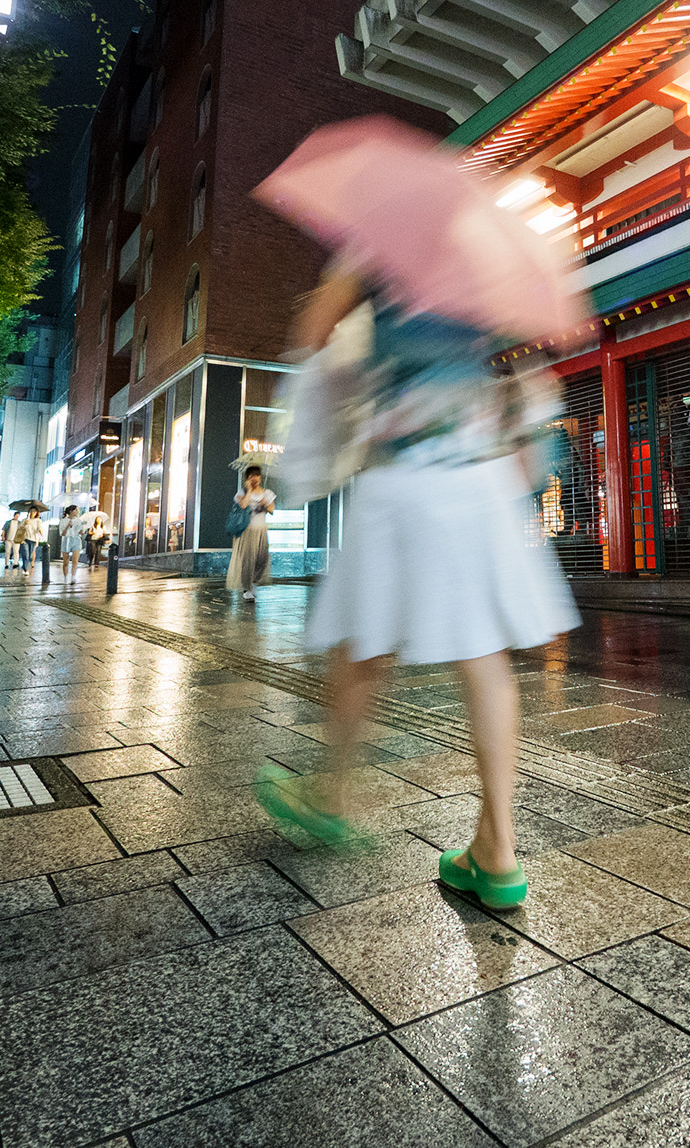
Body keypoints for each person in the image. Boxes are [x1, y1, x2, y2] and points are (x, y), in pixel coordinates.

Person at [254, 265, 580, 911]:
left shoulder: (376, 245)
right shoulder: (478, 256)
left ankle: (330, 793)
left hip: (401, 473)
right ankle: (499, 851)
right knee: (485, 656)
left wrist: (342, 295)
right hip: (479, 477)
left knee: (364, 642)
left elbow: (313, 333)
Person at [227, 466, 274, 600]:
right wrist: (249, 490)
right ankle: (247, 588)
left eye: (257, 475)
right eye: (251, 476)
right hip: (247, 531)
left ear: (260, 477)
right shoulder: (242, 492)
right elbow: (243, 505)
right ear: (247, 478)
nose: (255, 478)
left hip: (261, 530)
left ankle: (254, 582)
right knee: (248, 560)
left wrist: (266, 503)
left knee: (262, 559)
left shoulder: (267, 493)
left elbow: (271, 509)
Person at [58, 505, 87, 585]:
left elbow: (81, 532)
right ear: (71, 511)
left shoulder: (78, 520)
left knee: (75, 560)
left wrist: (82, 531)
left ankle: (73, 577)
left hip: (76, 539)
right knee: (66, 561)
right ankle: (65, 577)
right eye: (75, 510)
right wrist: (68, 526)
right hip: (66, 540)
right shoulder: (63, 520)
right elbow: (62, 534)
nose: (77, 512)